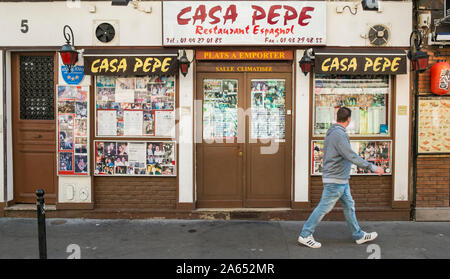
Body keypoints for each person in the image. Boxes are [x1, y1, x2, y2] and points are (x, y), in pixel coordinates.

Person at [298, 107, 384, 249]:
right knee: (323, 208)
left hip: (340, 179)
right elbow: (350, 155)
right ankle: (305, 234)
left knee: (349, 206)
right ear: (349, 119)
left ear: (337, 117)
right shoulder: (339, 134)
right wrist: (373, 167)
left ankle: (359, 235)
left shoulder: (333, 132)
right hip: (336, 179)